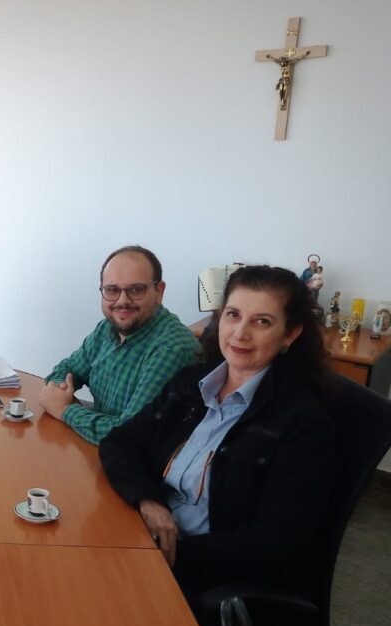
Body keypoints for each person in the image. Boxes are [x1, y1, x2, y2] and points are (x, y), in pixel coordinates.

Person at [99, 266, 334, 600]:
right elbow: (120, 441)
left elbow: (271, 543)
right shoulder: (193, 382)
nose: (240, 333)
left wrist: (164, 555)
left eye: (262, 321)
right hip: (145, 533)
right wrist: (148, 499)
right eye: (233, 315)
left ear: (290, 334)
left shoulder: (302, 424)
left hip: (205, 572)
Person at [39, 245, 200, 445]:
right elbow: (67, 369)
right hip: (96, 450)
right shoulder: (107, 328)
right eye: (112, 290)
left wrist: (64, 410)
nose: (122, 301)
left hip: (135, 464)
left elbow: (129, 434)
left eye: (136, 289)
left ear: (159, 291)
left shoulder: (172, 349)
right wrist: (61, 395)